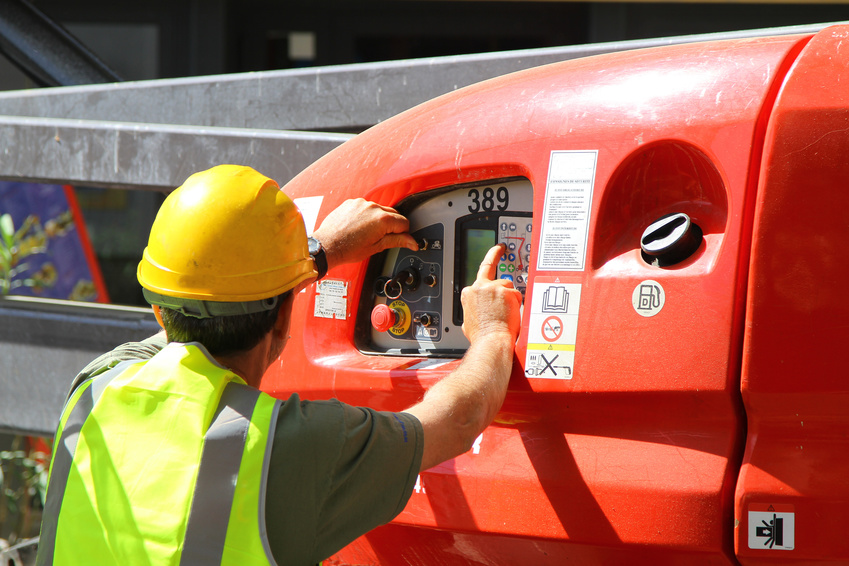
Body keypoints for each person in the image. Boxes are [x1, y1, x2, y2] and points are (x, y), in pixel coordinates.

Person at [36, 164, 521, 566]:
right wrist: (494, 332)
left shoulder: (97, 387)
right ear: (285, 318)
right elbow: (457, 423)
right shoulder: (286, 445)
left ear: (158, 309)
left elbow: (190, 317)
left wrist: (314, 257)